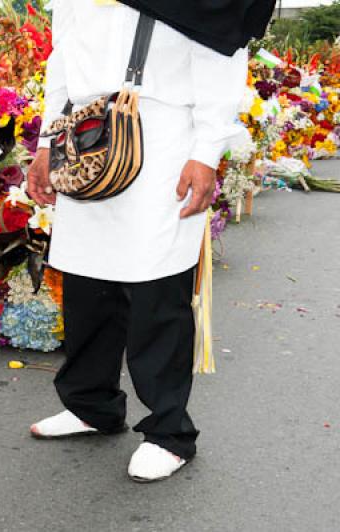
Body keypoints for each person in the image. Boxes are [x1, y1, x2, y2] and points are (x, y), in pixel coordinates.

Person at [26, 0, 275, 482]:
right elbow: (62, 57)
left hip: (160, 137)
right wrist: (44, 144)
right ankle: (91, 406)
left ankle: (168, 433)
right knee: (86, 284)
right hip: (85, 133)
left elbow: (221, 58)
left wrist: (206, 153)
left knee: (155, 291)